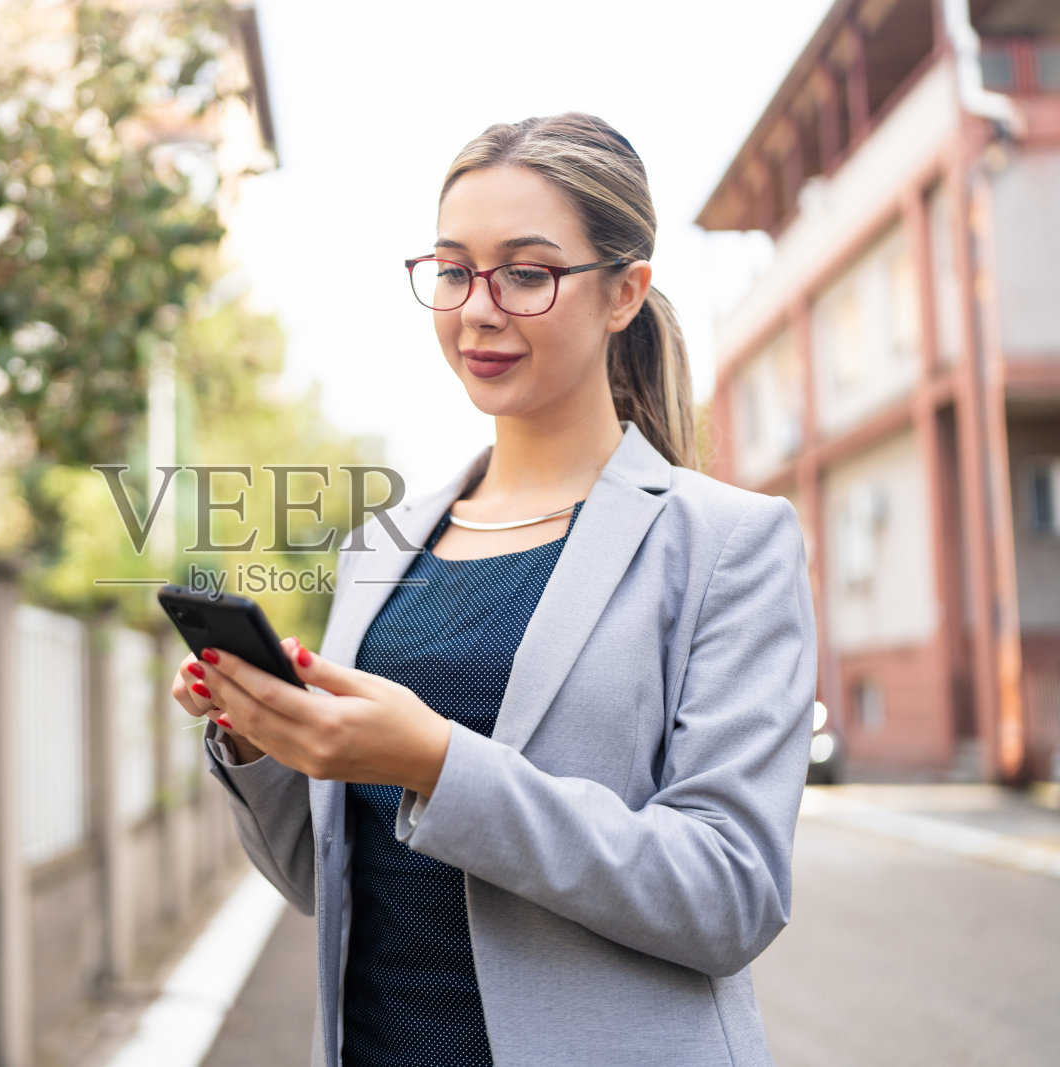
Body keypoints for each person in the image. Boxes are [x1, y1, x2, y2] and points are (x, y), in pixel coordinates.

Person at [169, 112, 818, 1067]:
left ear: (623, 292)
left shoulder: (727, 543)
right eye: (453, 269)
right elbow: (327, 880)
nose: (479, 307)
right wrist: (262, 742)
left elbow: (729, 895)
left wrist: (437, 764)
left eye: (526, 272)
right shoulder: (381, 547)